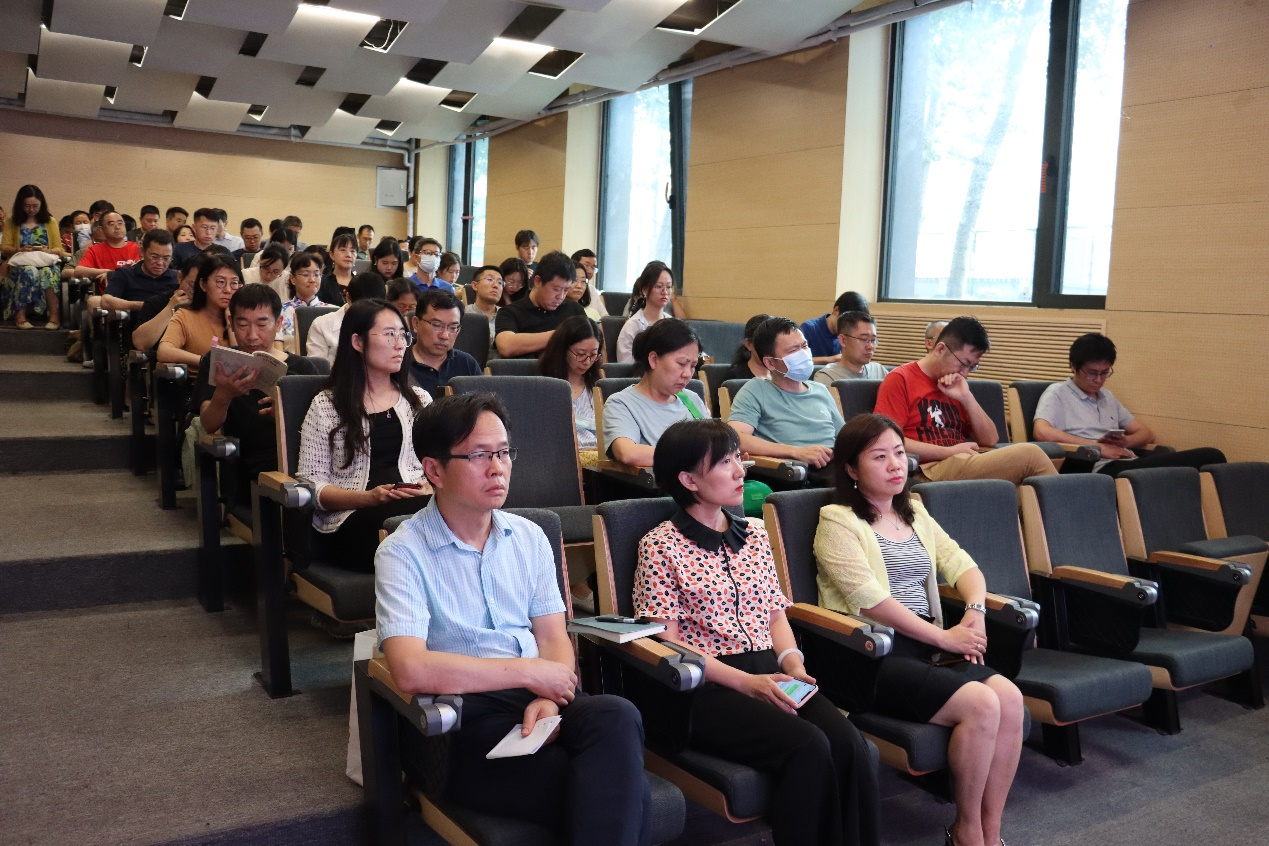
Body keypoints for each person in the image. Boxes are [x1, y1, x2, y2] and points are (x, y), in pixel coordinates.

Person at [374, 392, 653, 845]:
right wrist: (530, 673)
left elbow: (554, 637)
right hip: (460, 717)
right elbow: (411, 669)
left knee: (617, 715)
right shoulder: (402, 552)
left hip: (538, 698)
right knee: (622, 789)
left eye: (503, 453)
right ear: (434, 470)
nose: (497, 468)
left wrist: (550, 696)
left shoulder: (529, 537)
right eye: (479, 455)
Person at [636, 419, 881, 846]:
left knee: (849, 743)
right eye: (724, 463)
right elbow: (667, 641)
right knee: (808, 745)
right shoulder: (659, 545)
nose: (740, 471)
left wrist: (793, 665)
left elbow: (775, 616)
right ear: (688, 480)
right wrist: (747, 683)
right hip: (707, 686)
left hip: (771, 672)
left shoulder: (755, 534)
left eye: (737, 458)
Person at [816, 414, 1024, 846]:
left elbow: (963, 565)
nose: (895, 464)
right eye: (879, 457)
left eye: (898, 453)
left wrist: (975, 612)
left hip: (926, 647)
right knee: (983, 704)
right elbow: (869, 600)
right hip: (870, 654)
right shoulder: (836, 520)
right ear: (851, 469)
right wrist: (946, 638)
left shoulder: (915, 511)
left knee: (1010, 697)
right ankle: (967, 831)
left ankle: (992, 831)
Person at [297, 299, 432, 575]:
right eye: (389, 334)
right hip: (353, 521)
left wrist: (431, 486)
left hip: (415, 509)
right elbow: (311, 486)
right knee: (426, 521)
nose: (400, 345)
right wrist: (368, 498)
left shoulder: (419, 400)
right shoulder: (326, 405)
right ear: (357, 342)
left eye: (403, 335)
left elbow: (441, 464)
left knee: (456, 509)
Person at [875, 316, 1057, 485]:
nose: (965, 373)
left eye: (972, 367)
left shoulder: (956, 385)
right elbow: (887, 440)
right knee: (1031, 455)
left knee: (1026, 489)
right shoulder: (901, 379)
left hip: (962, 461)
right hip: (930, 468)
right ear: (940, 349)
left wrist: (967, 398)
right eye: (964, 364)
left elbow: (990, 439)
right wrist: (949, 452)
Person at [1032, 333, 1226, 475]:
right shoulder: (1058, 393)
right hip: (1098, 468)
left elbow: (1146, 433)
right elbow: (1042, 432)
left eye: (1104, 373)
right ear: (1074, 367)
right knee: (1210, 456)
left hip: (1128, 461)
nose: (1099, 379)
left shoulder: (1107, 397)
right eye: (1092, 373)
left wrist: (1126, 442)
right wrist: (1098, 447)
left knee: (1211, 459)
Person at [197, 284, 320, 509]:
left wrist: (284, 416)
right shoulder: (218, 363)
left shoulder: (303, 368)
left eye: (262, 324)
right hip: (250, 464)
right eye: (242, 325)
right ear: (231, 323)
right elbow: (208, 425)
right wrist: (224, 395)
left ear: (278, 324)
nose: (252, 335)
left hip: (303, 459)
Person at [728, 318, 845, 470]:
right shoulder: (755, 390)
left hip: (836, 465)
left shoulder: (820, 390)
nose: (803, 354)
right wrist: (795, 452)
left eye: (804, 346)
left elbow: (845, 438)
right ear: (770, 363)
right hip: (797, 472)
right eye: (793, 350)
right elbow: (736, 438)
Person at [602, 319, 707, 467]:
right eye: (681, 364)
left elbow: (714, 445)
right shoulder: (621, 404)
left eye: (693, 366)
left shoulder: (691, 399)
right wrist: (694, 457)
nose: (687, 374)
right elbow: (627, 453)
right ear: (653, 360)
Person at [493, 251, 586, 359]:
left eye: (566, 290)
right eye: (556, 289)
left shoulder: (574, 310)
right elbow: (506, 346)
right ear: (538, 281)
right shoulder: (510, 312)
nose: (560, 296)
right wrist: (563, 334)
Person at [157, 252, 239, 374]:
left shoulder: (244, 318)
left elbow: (240, 361)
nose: (228, 290)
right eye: (221, 282)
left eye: (234, 283)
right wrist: (205, 361)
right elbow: (164, 352)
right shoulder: (185, 316)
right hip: (198, 383)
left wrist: (230, 320)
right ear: (203, 285)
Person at [2, 185, 68, 329]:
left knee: (47, 272)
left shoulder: (50, 221)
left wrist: (48, 250)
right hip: (20, 264)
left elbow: (59, 249)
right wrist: (19, 249)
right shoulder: (12, 222)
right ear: (20, 205)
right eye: (27, 206)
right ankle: (20, 316)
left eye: (35, 206)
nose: (31, 210)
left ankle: (54, 316)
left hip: (46, 262)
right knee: (29, 271)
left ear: (41, 205)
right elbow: (5, 248)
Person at [537, 315, 603, 458]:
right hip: (560, 458)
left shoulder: (598, 386)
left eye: (593, 355)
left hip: (600, 460)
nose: (587, 361)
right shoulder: (543, 386)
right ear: (562, 349)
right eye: (580, 354)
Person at [404, 290, 481, 395]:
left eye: (453, 327)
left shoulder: (467, 364)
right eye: (436, 325)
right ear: (416, 324)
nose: (444, 336)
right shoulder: (398, 362)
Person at [307, 273, 388, 364]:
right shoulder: (322, 325)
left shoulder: (390, 325)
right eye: (362, 308)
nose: (367, 314)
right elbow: (317, 368)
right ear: (348, 297)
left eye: (375, 308)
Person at [100, 229, 178, 313]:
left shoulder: (178, 278)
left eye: (166, 258)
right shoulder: (125, 274)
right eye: (154, 257)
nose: (160, 263)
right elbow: (105, 301)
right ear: (142, 251)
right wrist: (147, 306)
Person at [132, 259, 198, 351]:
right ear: (180, 277)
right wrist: (170, 308)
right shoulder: (156, 303)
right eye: (193, 286)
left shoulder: (213, 307)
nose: (198, 293)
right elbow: (140, 343)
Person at [278, 252, 338, 354]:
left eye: (316, 275)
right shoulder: (280, 311)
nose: (312, 280)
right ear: (292, 279)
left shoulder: (333, 311)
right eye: (306, 275)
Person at [616, 261, 674, 362]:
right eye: (659, 286)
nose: (665, 292)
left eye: (668, 287)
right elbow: (626, 366)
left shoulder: (673, 324)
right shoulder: (632, 327)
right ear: (644, 290)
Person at [813, 311, 888, 385]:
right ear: (843, 340)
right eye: (864, 339)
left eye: (873, 340)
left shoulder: (879, 371)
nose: (870, 346)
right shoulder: (827, 377)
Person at [801, 291, 870, 364]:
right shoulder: (809, 328)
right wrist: (831, 359)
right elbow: (797, 362)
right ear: (836, 310)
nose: (848, 328)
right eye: (847, 323)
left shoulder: (849, 335)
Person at [723, 314, 773, 382]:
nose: (770, 348)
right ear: (748, 344)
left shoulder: (782, 374)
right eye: (763, 343)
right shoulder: (735, 377)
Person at [465, 264, 503, 352]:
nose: (496, 285)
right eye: (489, 279)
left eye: (500, 283)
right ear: (475, 285)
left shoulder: (507, 315)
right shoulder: (463, 314)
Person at [317, 233, 358, 304]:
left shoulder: (361, 283)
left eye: (352, 251)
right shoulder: (322, 282)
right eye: (343, 250)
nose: (348, 255)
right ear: (331, 255)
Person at [570, 248, 607, 317]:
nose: (590, 271)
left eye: (593, 268)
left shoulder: (592, 290)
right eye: (586, 266)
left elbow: (604, 316)